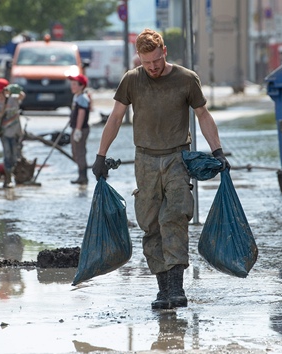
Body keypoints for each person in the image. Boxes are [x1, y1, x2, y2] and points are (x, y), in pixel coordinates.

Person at [91, 28, 230, 310]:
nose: (152, 67)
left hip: (178, 157)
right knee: (151, 222)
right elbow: (116, 118)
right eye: (146, 63)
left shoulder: (186, 79)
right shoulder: (131, 80)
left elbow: (203, 115)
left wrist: (218, 151)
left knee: (175, 217)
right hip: (145, 160)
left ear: (164, 51)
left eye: (156, 60)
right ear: (139, 59)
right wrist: (100, 155)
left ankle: (177, 288)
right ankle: (162, 289)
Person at [0, 78, 25, 188]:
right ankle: (7, 178)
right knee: (7, 155)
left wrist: (15, 91)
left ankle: (18, 176)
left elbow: (22, 96)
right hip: (4, 133)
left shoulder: (14, 100)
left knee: (16, 154)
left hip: (16, 133)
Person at [67, 74, 91, 185]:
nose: (72, 86)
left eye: (74, 84)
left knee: (80, 152)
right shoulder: (76, 96)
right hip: (75, 128)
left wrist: (78, 129)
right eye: (71, 84)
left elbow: (81, 114)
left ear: (81, 86)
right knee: (75, 152)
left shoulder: (82, 98)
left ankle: (83, 177)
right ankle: (81, 174)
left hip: (80, 129)